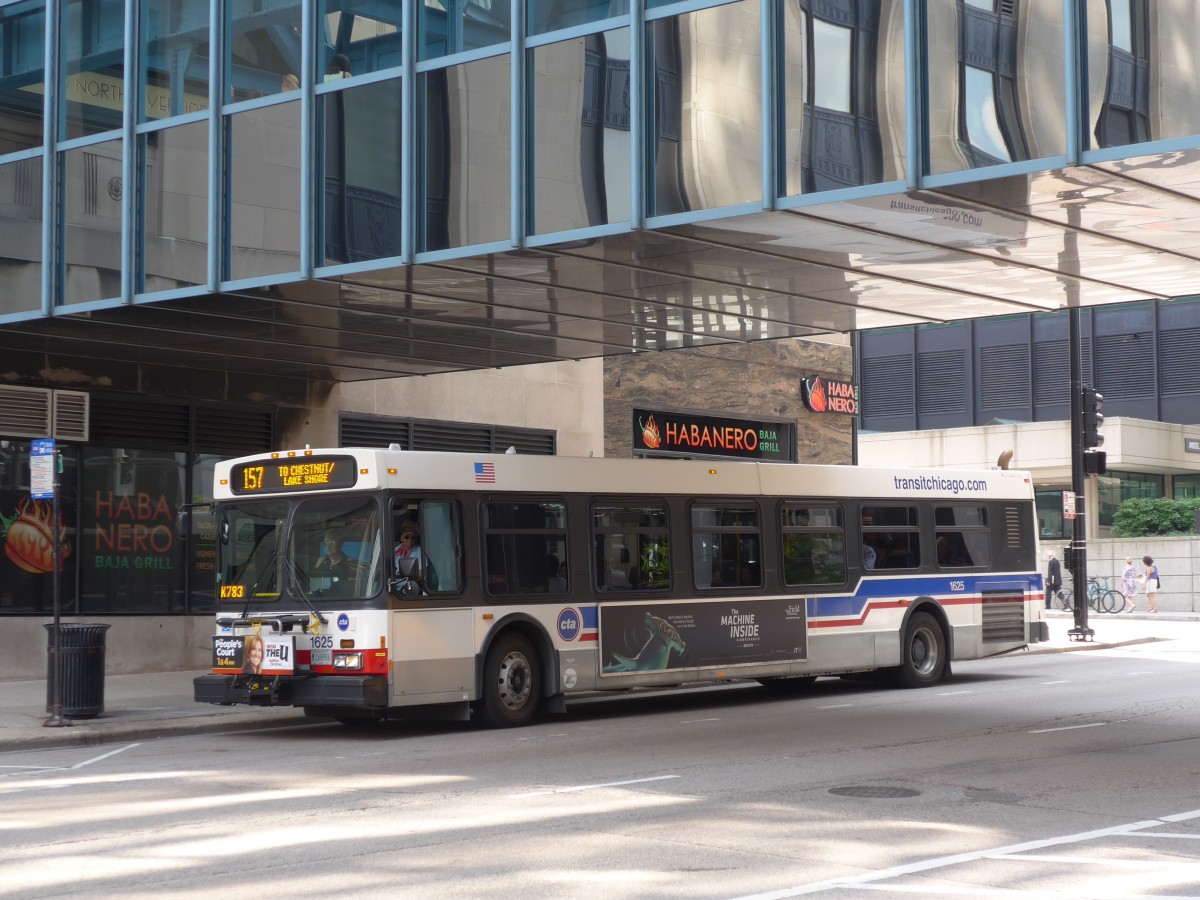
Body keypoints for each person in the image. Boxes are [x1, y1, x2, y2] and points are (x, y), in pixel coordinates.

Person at [393, 521, 424, 591]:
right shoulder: (394, 551)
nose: (410, 541)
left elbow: (421, 576)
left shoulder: (419, 553)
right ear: (401, 537)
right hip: (392, 587)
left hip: (409, 589)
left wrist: (400, 575)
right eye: (407, 537)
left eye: (413, 538)